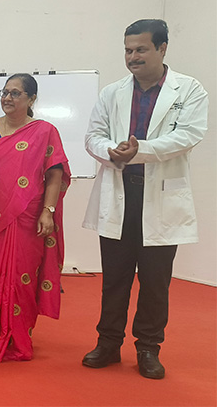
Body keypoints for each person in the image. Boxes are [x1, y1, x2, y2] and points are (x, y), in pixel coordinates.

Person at [81, 19, 208, 379]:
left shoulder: (189, 89)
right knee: (114, 278)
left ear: (162, 48)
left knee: (155, 282)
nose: (133, 57)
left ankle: (148, 348)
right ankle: (108, 343)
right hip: (119, 194)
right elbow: (93, 135)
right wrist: (110, 150)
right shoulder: (112, 92)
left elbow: (189, 135)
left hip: (161, 199)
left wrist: (140, 151)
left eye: (141, 49)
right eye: (128, 50)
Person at [0, 73, 70, 362]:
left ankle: (18, 336)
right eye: (5, 92)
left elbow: (54, 174)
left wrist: (48, 211)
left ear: (32, 99)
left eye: (15, 93)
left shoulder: (44, 131)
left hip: (27, 218)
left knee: (22, 278)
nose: (7, 98)